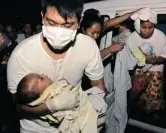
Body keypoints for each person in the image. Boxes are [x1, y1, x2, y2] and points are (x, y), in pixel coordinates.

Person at [7, 0, 105, 133]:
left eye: (67, 25)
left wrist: (94, 110)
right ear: (42, 17)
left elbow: (98, 85)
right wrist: (51, 106)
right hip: (35, 129)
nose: (58, 32)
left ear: (79, 22)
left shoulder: (88, 46)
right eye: (51, 23)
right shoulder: (22, 54)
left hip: (74, 126)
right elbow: (18, 107)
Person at [16, 73, 106, 133]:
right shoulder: (51, 95)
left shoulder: (51, 89)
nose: (44, 74)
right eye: (41, 78)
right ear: (42, 94)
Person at [127, 8, 166, 115]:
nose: (147, 30)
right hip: (139, 69)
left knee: (154, 96)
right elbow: (128, 58)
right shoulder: (132, 38)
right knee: (137, 92)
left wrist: (154, 60)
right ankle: (138, 114)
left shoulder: (160, 36)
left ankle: (154, 115)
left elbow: (165, 56)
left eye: (150, 27)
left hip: (156, 69)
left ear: (154, 26)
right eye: (144, 27)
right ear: (138, 26)